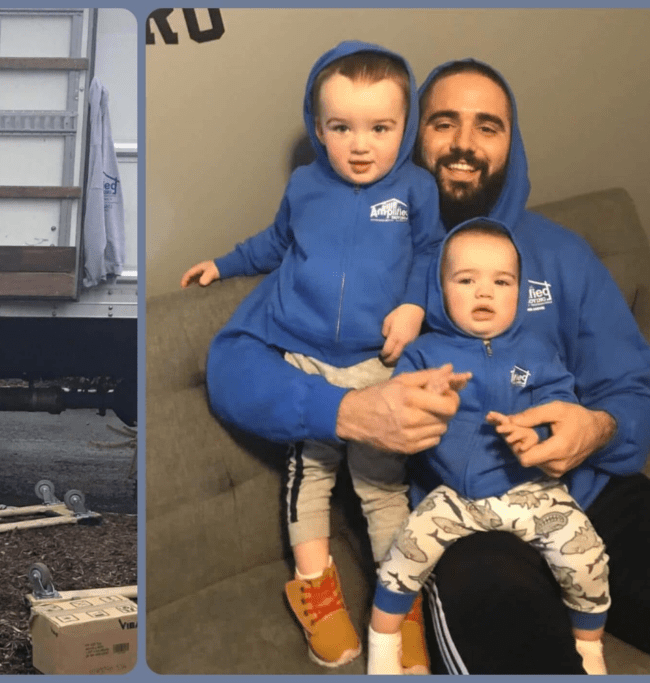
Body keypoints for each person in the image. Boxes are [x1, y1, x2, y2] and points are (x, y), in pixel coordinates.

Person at [186, 41, 444, 671]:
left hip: (376, 364)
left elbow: (434, 254)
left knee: (384, 491)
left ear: (404, 128)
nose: (360, 145)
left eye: (380, 128)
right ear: (318, 128)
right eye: (341, 128)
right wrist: (222, 263)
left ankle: (398, 602)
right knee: (310, 482)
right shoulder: (306, 185)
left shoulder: (415, 188)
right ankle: (317, 592)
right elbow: (273, 244)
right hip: (303, 360)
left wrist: (413, 306)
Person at [408, 60, 650, 674]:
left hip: (591, 492)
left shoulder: (563, 252)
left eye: (488, 126)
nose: (464, 144)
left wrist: (597, 428)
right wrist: (349, 409)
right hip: (467, 521)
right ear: (416, 136)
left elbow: (630, 389)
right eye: (444, 123)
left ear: (511, 145)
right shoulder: (377, 259)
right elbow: (235, 364)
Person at [367, 219, 609, 675]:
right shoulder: (425, 353)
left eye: (502, 282)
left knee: (587, 554)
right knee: (404, 555)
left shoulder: (537, 350)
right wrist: (430, 398)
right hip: (454, 501)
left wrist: (533, 435)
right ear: (440, 290)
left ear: (519, 292)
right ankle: (383, 642)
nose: (485, 293)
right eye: (466, 280)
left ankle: (589, 647)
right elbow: (399, 410)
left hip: (532, 492)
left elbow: (559, 408)